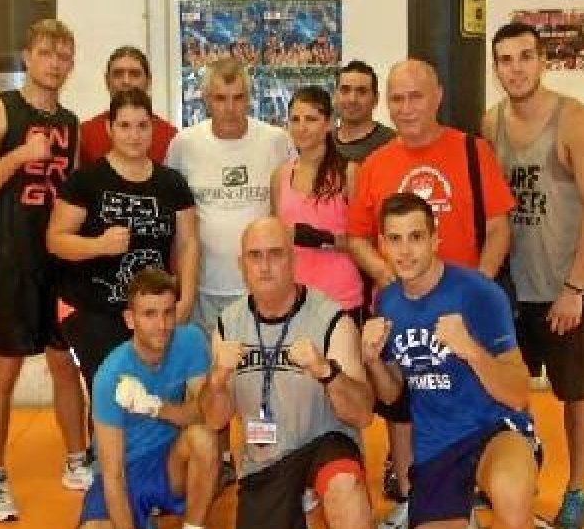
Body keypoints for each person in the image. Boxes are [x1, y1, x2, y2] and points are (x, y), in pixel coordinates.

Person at [346, 58, 515, 527]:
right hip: (406, 306)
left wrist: (475, 288)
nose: (406, 108)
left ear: (438, 95)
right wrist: (386, 275)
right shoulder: (377, 164)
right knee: (405, 404)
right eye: (396, 99)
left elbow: (500, 227)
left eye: (415, 96)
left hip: (465, 307)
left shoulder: (471, 151)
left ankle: (489, 479)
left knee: (484, 390)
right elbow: (357, 234)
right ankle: (411, 495)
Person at [0, 19, 90, 521]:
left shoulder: (71, 122)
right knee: (5, 370)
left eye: (63, 55)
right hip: (10, 262)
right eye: (46, 53)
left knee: (64, 364)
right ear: (27, 56)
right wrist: (19, 154)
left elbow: (72, 194)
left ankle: (77, 460)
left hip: (57, 261)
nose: (54, 62)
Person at [482, 22, 584, 529]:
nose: (516, 68)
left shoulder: (574, 121)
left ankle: (578, 489)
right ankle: (512, 481)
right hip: (508, 290)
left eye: (525, 57)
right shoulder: (490, 123)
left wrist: (575, 288)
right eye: (506, 60)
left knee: (575, 389)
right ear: (495, 68)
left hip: (561, 289)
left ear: (542, 62)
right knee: (505, 391)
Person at [362, 193, 542, 529]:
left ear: (434, 238)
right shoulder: (386, 304)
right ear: (382, 245)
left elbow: (519, 393)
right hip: (437, 446)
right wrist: (372, 362)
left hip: (495, 429)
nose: (405, 251)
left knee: (511, 495)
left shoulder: (479, 293)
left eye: (416, 237)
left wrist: (471, 349)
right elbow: (392, 395)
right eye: (395, 239)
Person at [200, 218, 374, 529]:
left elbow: (362, 415)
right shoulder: (228, 325)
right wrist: (216, 380)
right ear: (242, 265)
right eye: (255, 256)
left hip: (324, 443)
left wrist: (327, 372)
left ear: (293, 260)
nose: (265, 266)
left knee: (344, 485)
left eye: (275, 254)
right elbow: (215, 419)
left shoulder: (330, 319)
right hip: (266, 462)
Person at [48, 87, 198, 392]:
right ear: (109, 128)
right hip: (97, 310)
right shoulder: (86, 181)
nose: (134, 135)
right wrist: (98, 245)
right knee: (113, 395)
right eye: (124, 126)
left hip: (154, 311)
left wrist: (186, 298)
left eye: (142, 126)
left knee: (163, 394)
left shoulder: (171, 183)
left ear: (153, 128)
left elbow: (188, 243)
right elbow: (56, 240)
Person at [78, 268, 219, 529]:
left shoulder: (191, 341)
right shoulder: (110, 377)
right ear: (130, 319)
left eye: (168, 312)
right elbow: (113, 475)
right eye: (149, 314)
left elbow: (204, 413)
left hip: (170, 462)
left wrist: (154, 407)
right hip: (125, 468)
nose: (162, 325)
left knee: (204, 438)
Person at [164, 57, 292, 336]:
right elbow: (172, 218)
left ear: (249, 98)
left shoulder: (277, 141)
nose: (230, 108)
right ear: (207, 100)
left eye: (238, 98)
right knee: (212, 375)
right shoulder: (184, 145)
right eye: (221, 98)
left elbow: (293, 206)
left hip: (265, 287)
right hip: (204, 289)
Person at [271, 86, 364, 316]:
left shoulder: (348, 173)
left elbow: (365, 240)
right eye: (295, 119)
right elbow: (277, 236)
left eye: (311, 119)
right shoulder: (280, 176)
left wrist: (319, 238)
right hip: (293, 295)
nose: (301, 127)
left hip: (340, 296)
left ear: (329, 123)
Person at [78, 46, 178, 167]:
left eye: (135, 74)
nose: (126, 81)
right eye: (118, 74)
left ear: (149, 81)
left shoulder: (171, 137)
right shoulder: (85, 134)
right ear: (107, 81)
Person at [332, 60, 395, 163]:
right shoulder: (322, 143)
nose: (352, 99)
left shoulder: (391, 144)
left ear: (376, 99)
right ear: (335, 96)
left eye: (362, 92)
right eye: (345, 90)